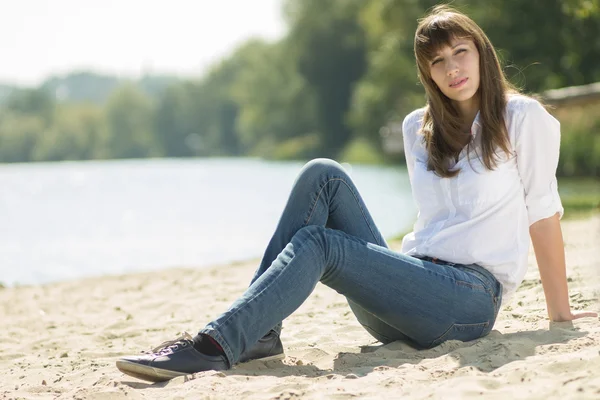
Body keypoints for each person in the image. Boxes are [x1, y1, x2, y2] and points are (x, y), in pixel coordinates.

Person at [116, 5, 597, 382]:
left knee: (320, 244)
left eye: (461, 52)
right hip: (407, 292)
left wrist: (560, 316)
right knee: (322, 173)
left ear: (482, 52)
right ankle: (259, 333)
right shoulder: (418, 129)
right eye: (438, 61)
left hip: (468, 302)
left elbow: (542, 211)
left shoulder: (522, 119)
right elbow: (435, 228)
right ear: (426, 73)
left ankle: (215, 345)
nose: (452, 68)